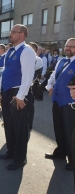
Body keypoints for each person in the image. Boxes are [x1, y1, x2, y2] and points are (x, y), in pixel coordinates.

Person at [0, 24, 36, 170]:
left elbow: (27, 76)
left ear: (22, 35)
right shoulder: (11, 51)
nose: (10, 33)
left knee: (19, 127)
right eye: (11, 31)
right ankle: (11, 152)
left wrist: (20, 97)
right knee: (9, 124)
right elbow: (5, 72)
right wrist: (0, 89)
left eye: (14, 31)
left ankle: (20, 159)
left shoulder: (27, 51)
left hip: (19, 93)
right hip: (8, 92)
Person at [45, 38, 75, 171]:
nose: (68, 48)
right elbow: (53, 76)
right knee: (59, 129)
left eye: (72, 46)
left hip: (70, 104)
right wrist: (49, 86)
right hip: (57, 101)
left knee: (70, 133)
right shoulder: (61, 61)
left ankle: (73, 160)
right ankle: (61, 153)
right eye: (66, 46)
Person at [28, 42, 43, 130]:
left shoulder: (38, 59)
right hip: (24, 84)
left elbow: (31, 68)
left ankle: (29, 123)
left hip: (32, 86)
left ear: (34, 50)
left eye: (29, 48)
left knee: (30, 105)